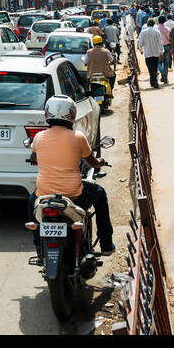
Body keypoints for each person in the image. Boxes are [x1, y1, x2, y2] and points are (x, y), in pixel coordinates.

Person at [28, 95, 114, 254]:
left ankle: (39, 248)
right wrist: (99, 162)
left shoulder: (39, 138)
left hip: (44, 194)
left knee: (31, 203)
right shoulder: (78, 137)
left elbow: (34, 156)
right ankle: (106, 245)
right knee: (100, 194)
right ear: (72, 114)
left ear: (47, 113)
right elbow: (91, 162)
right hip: (74, 194)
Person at [138, 19, 164, 89]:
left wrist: (141, 50)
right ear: (153, 24)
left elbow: (140, 42)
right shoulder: (157, 32)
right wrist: (161, 52)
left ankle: (154, 82)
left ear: (147, 24)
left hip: (148, 53)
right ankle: (154, 81)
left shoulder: (143, 32)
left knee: (150, 68)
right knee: (155, 68)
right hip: (156, 53)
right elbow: (160, 43)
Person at [157, 16, 172, 85]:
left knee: (159, 62)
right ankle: (165, 78)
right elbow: (170, 39)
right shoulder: (167, 29)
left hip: (159, 47)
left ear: (158, 21)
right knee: (166, 62)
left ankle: (162, 72)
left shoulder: (156, 28)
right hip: (167, 46)